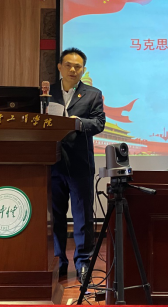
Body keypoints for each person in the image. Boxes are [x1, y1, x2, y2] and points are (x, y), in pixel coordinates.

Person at [49, 48, 105, 283]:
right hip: (52, 164)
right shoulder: (47, 93)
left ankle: (83, 263)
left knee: (83, 218)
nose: (73, 70)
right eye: (68, 65)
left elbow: (99, 123)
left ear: (83, 70)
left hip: (80, 164)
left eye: (78, 66)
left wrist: (78, 123)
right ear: (60, 67)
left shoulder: (92, 94)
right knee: (56, 217)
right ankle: (59, 262)